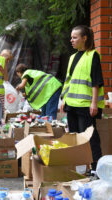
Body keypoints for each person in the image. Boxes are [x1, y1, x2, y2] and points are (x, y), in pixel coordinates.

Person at [60, 25, 104, 170]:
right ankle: (79, 169)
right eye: (71, 37)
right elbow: (68, 81)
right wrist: (64, 99)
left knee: (90, 139)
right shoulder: (72, 57)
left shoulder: (93, 55)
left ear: (84, 38)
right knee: (75, 138)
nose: (71, 40)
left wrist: (94, 104)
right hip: (71, 104)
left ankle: (96, 169)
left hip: (86, 106)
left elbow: (96, 81)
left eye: (75, 37)